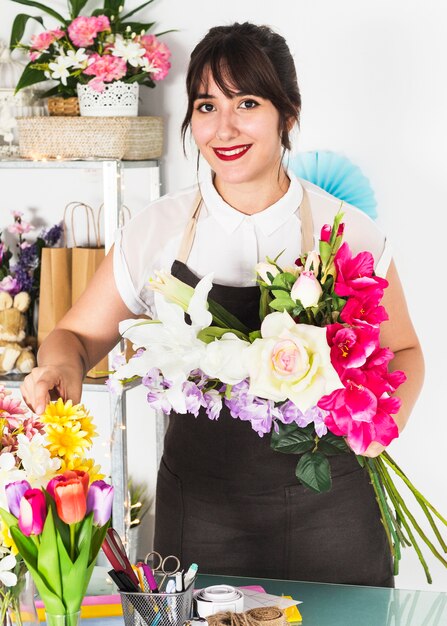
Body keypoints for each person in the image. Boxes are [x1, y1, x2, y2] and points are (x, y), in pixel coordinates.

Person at [21, 22, 424, 587]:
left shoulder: (346, 231)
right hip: (202, 518)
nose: (224, 127)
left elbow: (404, 350)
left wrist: (378, 428)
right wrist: (59, 368)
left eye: (248, 102)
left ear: (288, 112)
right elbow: (78, 337)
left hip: (332, 514)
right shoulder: (156, 229)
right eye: (207, 105)